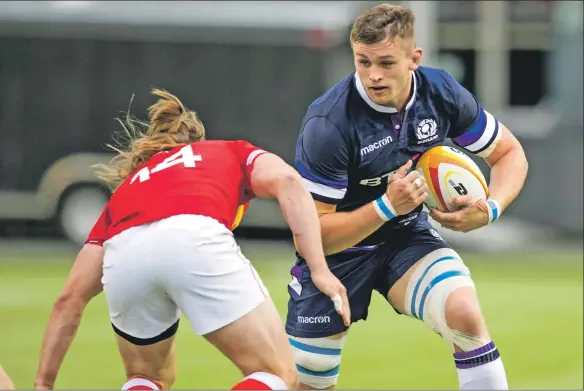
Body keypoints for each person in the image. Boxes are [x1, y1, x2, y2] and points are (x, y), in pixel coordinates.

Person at [34, 89, 351, 390]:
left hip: (125, 251)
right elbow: (288, 180)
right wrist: (319, 269)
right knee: (276, 372)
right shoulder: (228, 150)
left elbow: (70, 299)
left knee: (147, 376)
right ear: (197, 141)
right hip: (194, 236)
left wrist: (43, 383)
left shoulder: (129, 188)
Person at [284, 3, 528, 390]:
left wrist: (491, 208)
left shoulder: (440, 92)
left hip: (405, 237)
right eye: (362, 62)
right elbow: (313, 234)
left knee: (464, 315)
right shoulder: (328, 123)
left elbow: (509, 154)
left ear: (415, 58)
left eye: (385, 62)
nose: (372, 75)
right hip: (335, 256)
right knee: (311, 375)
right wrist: (385, 206)